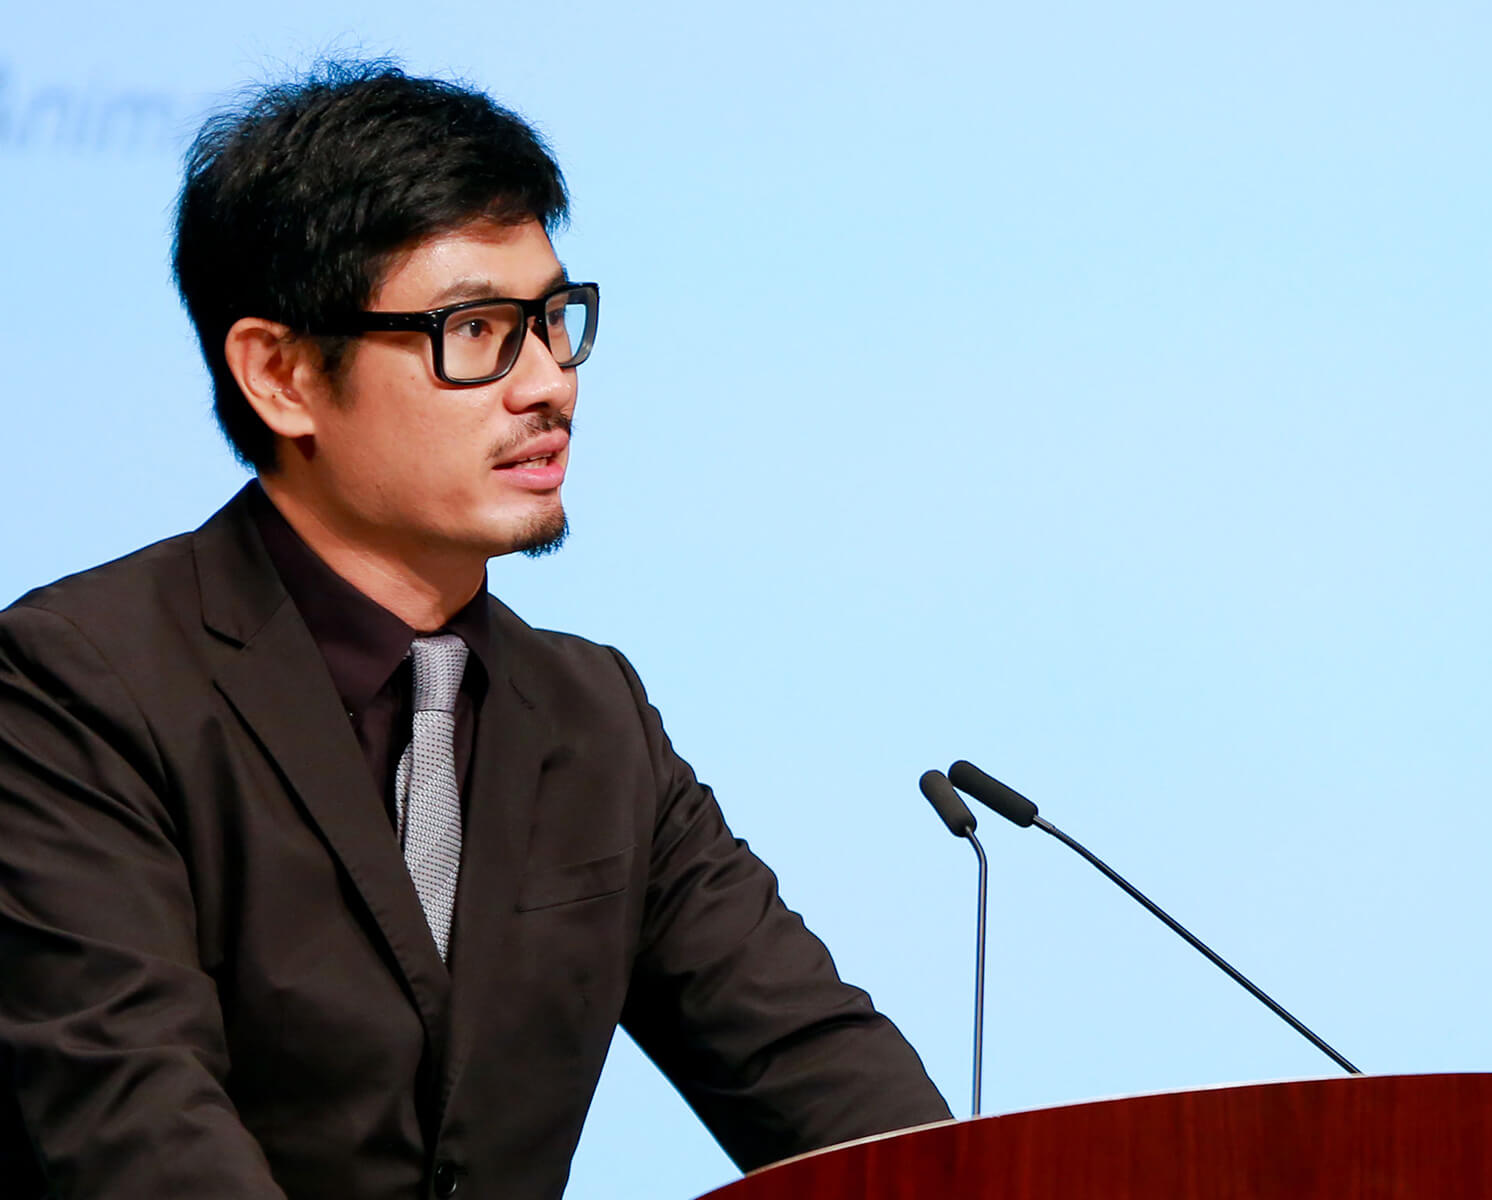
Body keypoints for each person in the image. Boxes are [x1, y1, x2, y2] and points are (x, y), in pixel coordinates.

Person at [0, 62, 950, 1199]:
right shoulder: (79, 686)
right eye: (476, 330)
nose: (549, 383)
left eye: (556, 321)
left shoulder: (593, 718)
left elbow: (817, 1076)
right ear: (283, 374)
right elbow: (138, 1133)